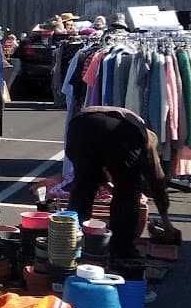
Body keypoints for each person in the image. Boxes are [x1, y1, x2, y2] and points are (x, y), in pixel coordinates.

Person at [65, 106, 174, 264]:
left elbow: (92, 166)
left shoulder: (131, 124)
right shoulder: (144, 138)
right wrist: (165, 218)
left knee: (83, 188)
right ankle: (122, 251)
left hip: (79, 128)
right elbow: (156, 179)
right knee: (127, 192)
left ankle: (71, 244)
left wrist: (103, 181)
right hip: (120, 134)